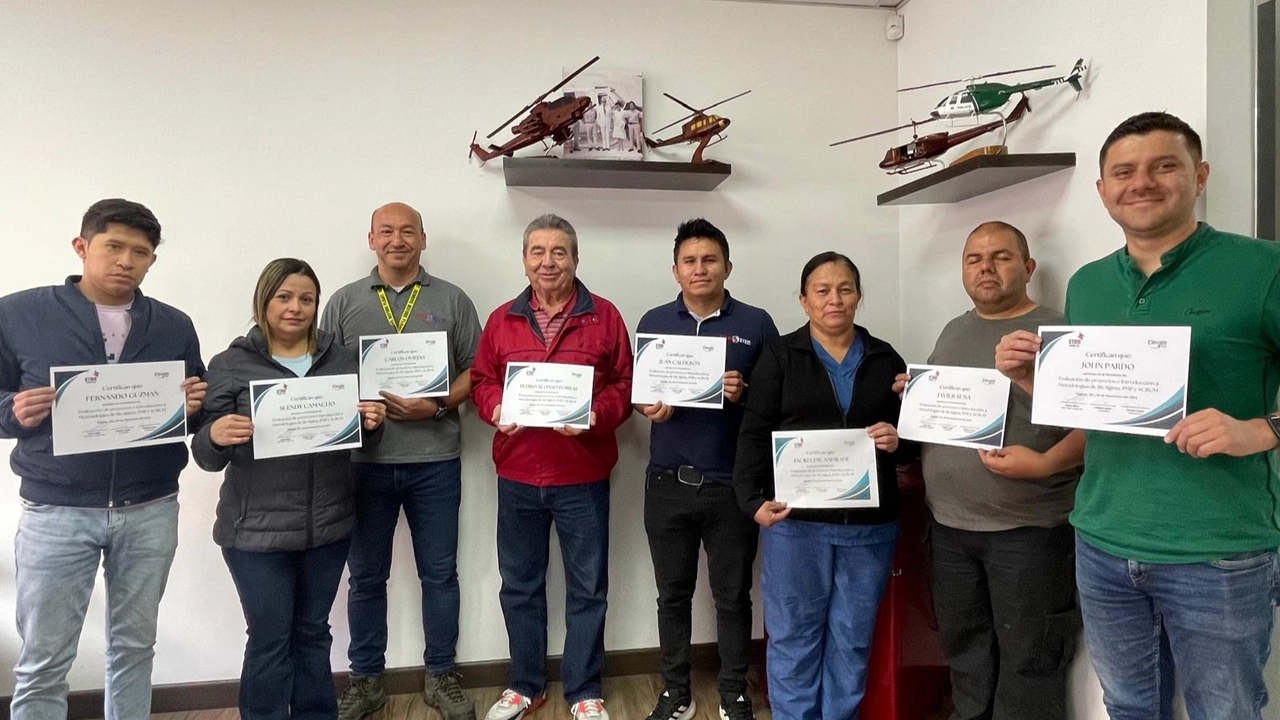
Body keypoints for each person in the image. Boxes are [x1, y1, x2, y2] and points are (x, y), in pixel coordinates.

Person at [995, 111, 1280, 720]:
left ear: (1199, 176)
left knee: (1225, 712)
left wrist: (1259, 429)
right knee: (1127, 706)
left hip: (1218, 549)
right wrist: (1030, 381)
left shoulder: (1264, 268)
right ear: (1103, 191)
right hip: (1101, 537)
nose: (1141, 183)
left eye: (1163, 166)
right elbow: (1097, 404)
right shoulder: (1089, 283)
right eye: (1123, 172)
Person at [0, 199, 207, 720]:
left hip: (151, 508)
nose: (126, 261)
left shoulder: (173, 324)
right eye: (114, 246)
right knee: (44, 662)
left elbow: (196, 403)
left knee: (134, 650)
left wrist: (192, 406)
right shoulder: (18, 313)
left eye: (141, 252)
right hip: (57, 514)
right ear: (82, 247)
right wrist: (13, 410)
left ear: (152, 261)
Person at [894, 222, 1082, 720]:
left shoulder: (1060, 333)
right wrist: (915, 397)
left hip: (1028, 532)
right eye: (974, 258)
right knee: (966, 654)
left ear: (1028, 267)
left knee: (1029, 662)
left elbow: (1093, 431)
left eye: (1001, 257)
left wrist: (1044, 462)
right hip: (951, 529)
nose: (986, 268)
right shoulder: (954, 330)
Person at [193, 258, 387, 720]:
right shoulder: (230, 364)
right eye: (284, 297)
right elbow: (205, 453)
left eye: (306, 298)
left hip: (329, 527)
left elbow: (357, 435)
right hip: (254, 534)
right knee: (269, 638)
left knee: (314, 633)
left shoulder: (341, 358)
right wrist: (215, 434)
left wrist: (372, 424)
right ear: (264, 301)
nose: (295, 308)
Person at [470, 214, 633, 720]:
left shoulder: (605, 317)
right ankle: (525, 684)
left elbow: (624, 388)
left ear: (576, 259)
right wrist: (495, 407)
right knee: (519, 586)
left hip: (582, 476)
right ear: (524, 261)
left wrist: (592, 416)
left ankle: (584, 690)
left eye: (559, 252)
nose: (548, 261)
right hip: (518, 475)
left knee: (588, 589)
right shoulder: (501, 320)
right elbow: (481, 379)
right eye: (537, 252)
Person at [323, 203, 482, 720]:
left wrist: (435, 404)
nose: (397, 239)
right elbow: (326, 381)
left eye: (407, 231)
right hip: (364, 464)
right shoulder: (344, 302)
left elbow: (477, 374)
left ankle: (441, 676)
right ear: (371, 239)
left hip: (435, 460)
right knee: (366, 577)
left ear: (423, 238)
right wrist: (355, 409)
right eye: (386, 231)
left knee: (441, 575)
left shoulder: (452, 299)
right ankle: (366, 680)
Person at [734, 251, 908, 720]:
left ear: (859, 297)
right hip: (795, 527)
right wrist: (751, 501)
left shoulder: (884, 357)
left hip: (868, 531)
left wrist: (897, 440)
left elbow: (909, 441)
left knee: (852, 641)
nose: (835, 299)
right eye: (822, 290)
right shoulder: (778, 357)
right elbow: (754, 432)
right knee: (794, 639)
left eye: (845, 289)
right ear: (804, 300)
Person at [634, 219, 778, 720]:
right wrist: (650, 407)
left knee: (733, 596)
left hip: (731, 486)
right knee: (671, 596)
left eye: (710, 260)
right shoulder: (653, 321)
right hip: (667, 483)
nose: (700, 269)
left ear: (728, 267)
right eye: (690, 261)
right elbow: (640, 397)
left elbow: (778, 401)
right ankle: (676, 691)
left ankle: (734, 689)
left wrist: (745, 393)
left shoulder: (757, 323)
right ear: (676, 270)